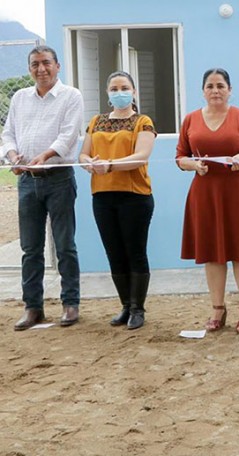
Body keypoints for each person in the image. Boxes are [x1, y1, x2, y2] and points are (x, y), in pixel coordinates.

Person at [176, 68, 239, 333]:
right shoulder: (190, 120)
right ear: (203, 91)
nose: (215, 91)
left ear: (230, 89)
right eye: (210, 86)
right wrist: (193, 165)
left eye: (220, 85)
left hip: (238, 192)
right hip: (205, 192)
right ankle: (217, 307)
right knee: (211, 252)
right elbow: (180, 157)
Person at [1, 45, 84, 330]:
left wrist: (45, 156)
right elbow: (8, 133)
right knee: (30, 248)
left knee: (65, 245)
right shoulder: (20, 98)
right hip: (26, 182)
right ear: (29, 69)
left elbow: (68, 134)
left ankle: (70, 304)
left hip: (58, 178)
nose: (41, 69)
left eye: (46, 63)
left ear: (57, 66)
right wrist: (12, 156)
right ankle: (33, 307)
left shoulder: (71, 96)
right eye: (35, 64)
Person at [79, 71, 156, 330]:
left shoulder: (142, 122)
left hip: (134, 196)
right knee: (114, 252)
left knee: (135, 251)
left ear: (134, 92)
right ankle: (125, 305)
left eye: (124, 87)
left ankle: (138, 308)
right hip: (102, 196)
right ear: (107, 93)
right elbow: (83, 154)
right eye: (114, 88)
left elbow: (141, 156)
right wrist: (88, 163)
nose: (119, 91)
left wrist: (110, 165)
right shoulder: (96, 121)